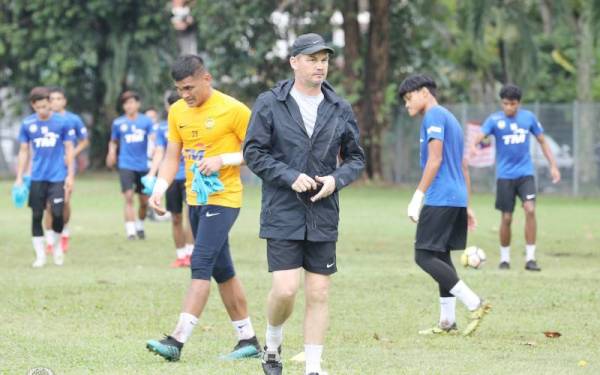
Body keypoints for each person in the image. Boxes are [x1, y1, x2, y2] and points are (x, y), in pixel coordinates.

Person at [244, 33, 365, 375]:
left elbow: (356, 158)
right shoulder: (270, 102)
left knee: (319, 293)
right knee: (285, 290)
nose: (320, 65)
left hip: (324, 212)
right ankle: (272, 342)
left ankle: (313, 367)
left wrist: (335, 180)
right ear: (294, 62)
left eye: (324, 59)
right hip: (282, 209)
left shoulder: (340, 107)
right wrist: (288, 175)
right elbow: (253, 152)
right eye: (312, 59)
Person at [145, 54, 261, 361]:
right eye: (180, 89)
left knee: (201, 261)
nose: (185, 95)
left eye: (189, 87)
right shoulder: (177, 112)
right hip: (194, 198)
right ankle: (248, 340)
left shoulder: (234, 109)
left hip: (224, 198)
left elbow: (260, 150)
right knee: (223, 271)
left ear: (206, 79)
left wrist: (224, 159)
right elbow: (173, 155)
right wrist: (159, 188)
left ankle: (176, 341)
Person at [398, 74, 490, 337]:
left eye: (409, 97)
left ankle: (474, 303)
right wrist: (467, 204)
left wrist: (417, 196)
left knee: (423, 255)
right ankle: (447, 322)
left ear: (424, 92)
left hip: (441, 197)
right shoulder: (451, 119)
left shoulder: (434, 116)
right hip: (456, 196)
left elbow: (435, 160)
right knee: (440, 256)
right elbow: (462, 165)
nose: (407, 104)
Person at [471, 84, 561, 271]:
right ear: (501, 103)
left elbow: (542, 141)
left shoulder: (528, 118)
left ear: (519, 103)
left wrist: (553, 165)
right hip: (505, 176)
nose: (509, 108)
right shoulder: (495, 120)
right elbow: (479, 136)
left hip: (525, 174)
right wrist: (473, 145)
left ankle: (530, 259)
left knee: (530, 210)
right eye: (505, 104)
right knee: (506, 218)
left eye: (512, 104)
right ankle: (504, 259)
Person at [14, 86, 75, 267]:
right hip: (37, 177)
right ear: (33, 106)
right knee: (36, 215)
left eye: (46, 106)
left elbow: (70, 149)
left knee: (57, 214)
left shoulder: (62, 123)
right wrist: (19, 176)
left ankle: (56, 246)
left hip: (57, 176)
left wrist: (70, 176)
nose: (43, 110)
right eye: (39, 107)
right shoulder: (27, 124)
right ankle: (40, 256)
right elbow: (24, 151)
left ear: (50, 103)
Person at [146, 91, 194, 267]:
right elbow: (160, 153)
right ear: (167, 108)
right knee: (175, 218)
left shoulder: (191, 124)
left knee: (191, 216)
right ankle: (180, 255)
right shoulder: (161, 129)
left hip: (191, 176)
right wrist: (153, 174)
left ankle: (191, 254)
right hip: (171, 178)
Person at [44, 86, 89, 254]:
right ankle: (49, 241)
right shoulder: (44, 119)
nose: (55, 102)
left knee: (65, 202)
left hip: (66, 168)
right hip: (48, 168)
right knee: (48, 205)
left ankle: (64, 234)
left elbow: (84, 141)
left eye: (58, 98)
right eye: (52, 99)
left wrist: (71, 155)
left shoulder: (73, 119)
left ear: (64, 101)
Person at [106, 91, 153, 240]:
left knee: (144, 202)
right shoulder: (118, 123)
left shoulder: (146, 122)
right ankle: (131, 231)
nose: (129, 106)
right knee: (128, 197)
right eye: (126, 103)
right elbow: (113, 141)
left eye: (132, 102)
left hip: (144, 165)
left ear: (138, 104)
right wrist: (111, 153)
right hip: (125, 164)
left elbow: (153, 139)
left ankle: (139, 224)